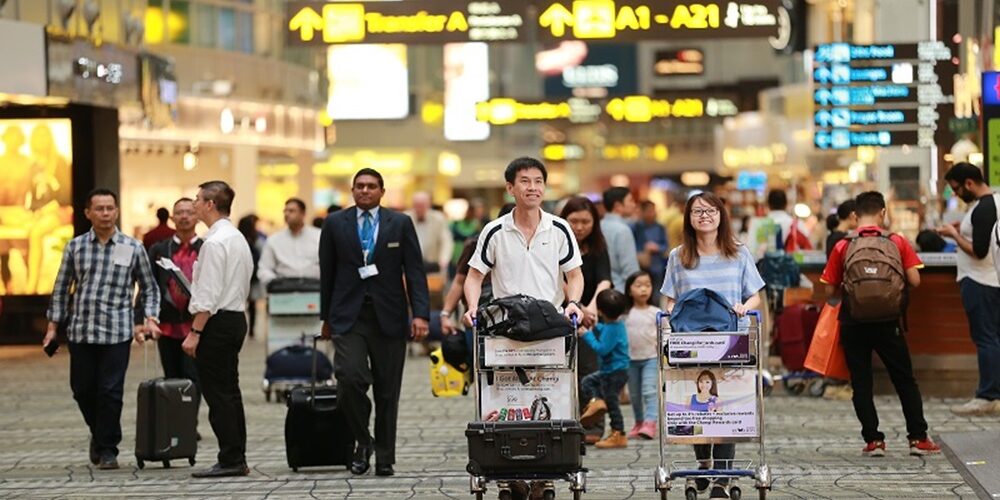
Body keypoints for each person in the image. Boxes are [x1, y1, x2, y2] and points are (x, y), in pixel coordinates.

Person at [319, 168, 430, 477]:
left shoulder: (400, 223)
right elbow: (326, 273)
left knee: (387, 391)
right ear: (352, 191)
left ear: (382, 191)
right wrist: (325, 318)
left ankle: (384, 457)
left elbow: (415, 271)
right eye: (359, 186)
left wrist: (420, 313)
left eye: (371, 186)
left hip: (389, 316)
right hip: (347, 316)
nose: (365, 191)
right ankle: (363, 440)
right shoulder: (334, 224)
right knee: (350, 378)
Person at [44, 188, 161, 470]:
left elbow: (149, 288)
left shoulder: (133, 247)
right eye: (99, 209)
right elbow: (61, 289)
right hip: (81, 330)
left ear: (117, 211)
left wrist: (150, 318)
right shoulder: (76, 247)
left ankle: (108, 448)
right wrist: (52, 328)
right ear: (88, 213)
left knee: (110, 390)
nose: (106, 214)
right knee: (82, 389)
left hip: (116, 331)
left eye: (110, 208)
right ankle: (99, 434)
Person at [660, 191, 765, 500]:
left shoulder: (739, 252)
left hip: (732, 339)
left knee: (728, 402)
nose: (704, 216)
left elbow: (756, 293)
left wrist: (745, 305)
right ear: (689, 219)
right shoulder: (678, 256)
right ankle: (703, 463)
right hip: (692, 341)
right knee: (697, 403)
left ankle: (722, 474)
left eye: (710, 211)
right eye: (697, 212)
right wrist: (668, 315)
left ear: (721, 215)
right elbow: (669, 296)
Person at [821, 191, 940, 458]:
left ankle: (874, 441)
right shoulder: (897, 241)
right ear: (883, 213)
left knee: (861, 382)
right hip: (889, 321)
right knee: (904, 380)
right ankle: (918, 438)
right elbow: (915, 281)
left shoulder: (843, 245)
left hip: (853, 320)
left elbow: (829, 291)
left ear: (854, 216)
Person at [182, 180, 255, 478]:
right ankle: (236, 455)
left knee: (219, 395)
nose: (195, 204)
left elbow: (209, 295)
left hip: (217, 323)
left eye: (198, 199)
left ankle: (230, 459)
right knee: (230, 392)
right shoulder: (235, 237)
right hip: (235, 318)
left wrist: (195, 332)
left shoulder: (214, 242)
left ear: (211, 204)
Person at [463, 157, 585, 327]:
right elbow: (475, 276)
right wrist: (472, 307)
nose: (533, 188)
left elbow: (574, 274)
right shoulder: (494, 230)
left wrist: (573, 302)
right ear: (510, 188)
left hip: (550, 322)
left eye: (538, 181)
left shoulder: (559, 228)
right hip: (505, 324)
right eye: (525, 181)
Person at [937, 163, 1000, 416]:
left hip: (979, 280)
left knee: (985, 338)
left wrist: (953, 234)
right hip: (990, 279)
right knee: (993, 338)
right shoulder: (992, 203)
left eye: (956, 189)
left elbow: (979, 250)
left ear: (969, 184)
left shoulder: (984, 208)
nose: (956, 194)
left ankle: (987, 395)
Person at [142, 198, 203, 424]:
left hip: (196, 325)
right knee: (171, 376)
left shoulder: (206, 247)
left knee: (194, 377)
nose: (184, 216)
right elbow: (148, 284)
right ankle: (175, 423)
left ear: (197, 217)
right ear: (172, 218)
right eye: (179, 213)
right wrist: (146, 318)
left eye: (189, 212)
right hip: (166, 326)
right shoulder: (160, 249)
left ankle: (189, 423)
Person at [559, 196, 612, 443]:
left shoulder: (599, 247)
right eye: (574, 221)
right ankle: (567, 423)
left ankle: (593, 424)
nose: (580, 227)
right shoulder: (556, 243)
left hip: (592, 316)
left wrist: (590, 308)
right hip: (561, 312)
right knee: (564, 370)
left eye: (586, 222)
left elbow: (604, 279)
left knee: (592, 369)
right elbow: (557, 278)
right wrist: (576, 306)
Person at [578, 289, 630, 449]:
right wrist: (595, 327)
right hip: (612, 371)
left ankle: (619, 434)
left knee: (613, 404)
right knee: (587, 382)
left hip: (615, 373)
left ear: (600, 310)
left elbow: (602, 349)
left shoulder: (612, 329)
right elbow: (605, 331)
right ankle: (597, 402)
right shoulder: (615, 324)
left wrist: (586, 335)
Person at [623, 270, 661, 439]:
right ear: (629, 290)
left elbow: (664, 334)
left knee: (649, 390)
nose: (643, 289)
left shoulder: (656, 312)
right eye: (638, 286)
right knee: (635, 395)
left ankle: (650, 423)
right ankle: (639, 422)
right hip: (630, 359)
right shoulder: (624, 314)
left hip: (651, 358)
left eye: (647, 285)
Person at [257, 198, 321, 288]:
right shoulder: (274, 240)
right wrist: (275, 283)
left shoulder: (319, 236)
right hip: (283, 290)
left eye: (291, 211)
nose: (287, 214)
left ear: (303, 214)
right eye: (285, 211)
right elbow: (264, 268)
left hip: (314, 289)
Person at [601, 187, 641, 292]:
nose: (634, 204)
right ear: (618, 206)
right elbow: (630, 269)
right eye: (630, 200)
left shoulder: (599, 225)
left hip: (601, 289)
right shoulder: (623, 230)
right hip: (621, 290)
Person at [406, 191, 453, 274]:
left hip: (433, 264)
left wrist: (444, 260)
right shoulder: (405, 218)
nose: (419, 208)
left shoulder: (439, 218)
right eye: (416, 205)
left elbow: (446, 241)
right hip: (410, 264)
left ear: (429, 205)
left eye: (422, 205)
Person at [633, 200, 669, 303]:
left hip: (657, 265)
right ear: (642, 212)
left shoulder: (660, 227)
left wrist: (656, 247)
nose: (652, 213)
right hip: (641, 265)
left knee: (657, 294)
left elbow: (665, 246)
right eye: (649, 211)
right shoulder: (636, 227)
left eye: (653, 211)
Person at [236, 214, 264, 337]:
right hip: (253, 276)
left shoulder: (236, 237)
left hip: (239, 275)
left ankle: (243, 327)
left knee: (239, 302)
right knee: (252, 305)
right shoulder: (256, 238)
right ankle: (251, 330)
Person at [747, 189, 794, 258]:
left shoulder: (758, 224)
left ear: (768, 204)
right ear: (786, 204)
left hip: (763, 267)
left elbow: (750, 251)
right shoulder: (796, 224)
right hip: (792, 267)